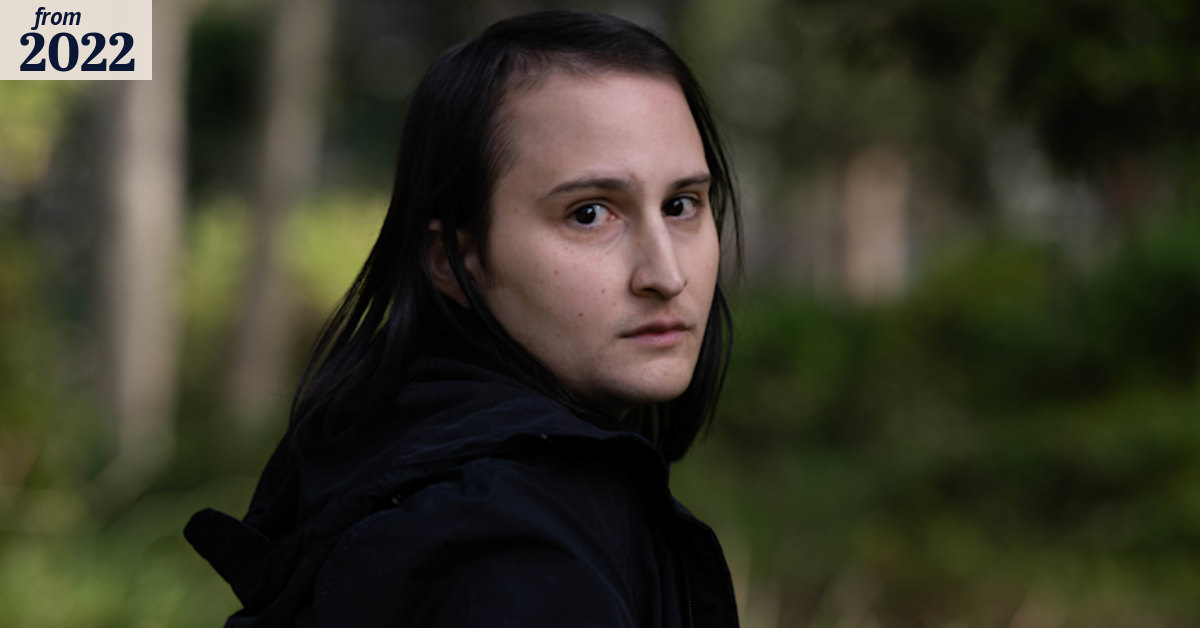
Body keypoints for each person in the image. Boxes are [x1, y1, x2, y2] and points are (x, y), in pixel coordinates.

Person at [186, 9, 742, 627]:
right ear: (453, 258)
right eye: (589, 213)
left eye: (681, 205)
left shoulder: (407, 461)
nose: (667, 274)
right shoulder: (510, 553)